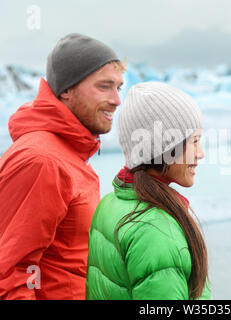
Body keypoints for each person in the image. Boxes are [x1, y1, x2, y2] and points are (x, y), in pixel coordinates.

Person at [0, 33, 125, 300]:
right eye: (104, 87)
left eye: (119, 87)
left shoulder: (66, 156)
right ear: (67, 90)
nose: (116, 99)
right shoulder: (42, 161)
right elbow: (11, 279)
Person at [86, 82, 211, 300]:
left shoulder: (110, 203)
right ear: (166, 146)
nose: (201, 153)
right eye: (195, 141)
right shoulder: (156, 229)